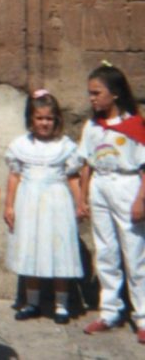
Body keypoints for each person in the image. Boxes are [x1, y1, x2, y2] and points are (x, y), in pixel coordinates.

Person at [2, 89, 83, 324]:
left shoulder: (65, 146)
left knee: (59, 248)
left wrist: (80, 203)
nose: (44, 123)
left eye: (49, 118)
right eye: (39, 118)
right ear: (31, 119)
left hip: (57, 200)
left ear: (56, 119)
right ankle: (32, 302)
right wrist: (9, 206)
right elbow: (14, 176)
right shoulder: (21, 145)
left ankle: (61, 305)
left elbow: (72, 177)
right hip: (29, 201)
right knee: (31, 247)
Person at [76, 63, 145, 340]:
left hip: (126, 185)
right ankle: (109, 311)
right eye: (90, 93)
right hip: (100, 185)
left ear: (114, 93)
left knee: (135, 252)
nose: (92, 98)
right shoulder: (92, 126)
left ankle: (142, 316)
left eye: (97, 93)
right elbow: (86, 164)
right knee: (105, 250)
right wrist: (82, 198)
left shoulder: (134, 125)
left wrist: (140, 200)